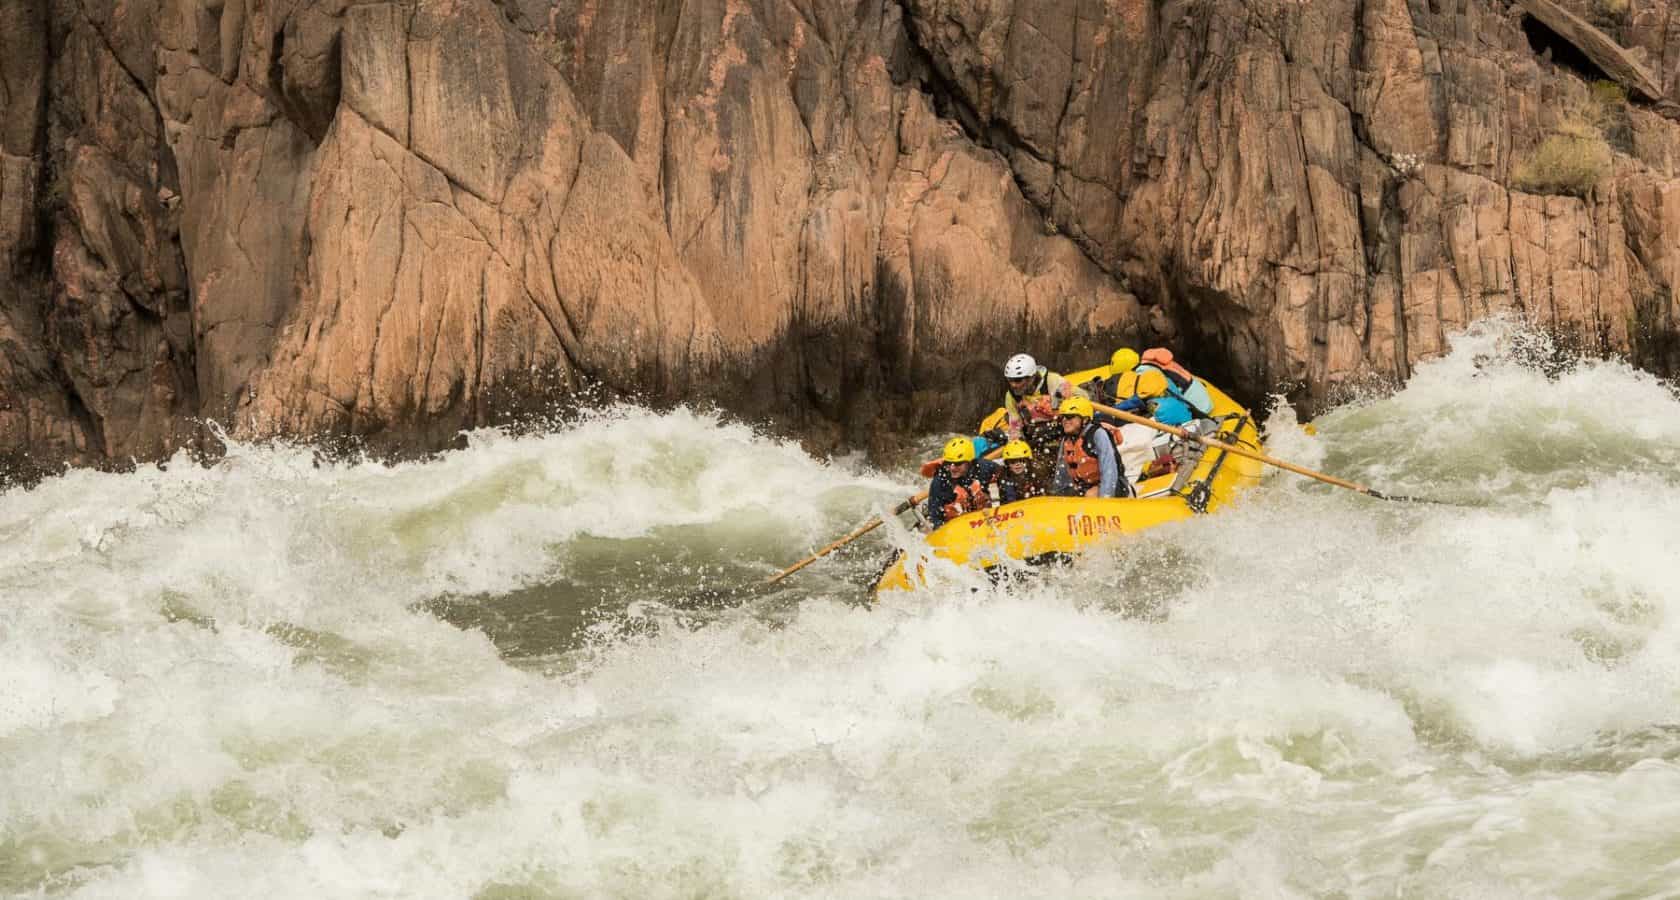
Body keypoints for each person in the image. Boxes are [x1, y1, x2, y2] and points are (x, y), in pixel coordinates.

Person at [1052, 397, 1129, 498]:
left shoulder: (1098, 434)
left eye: (1070, 416)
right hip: (1084, 486)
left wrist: (1106, 498)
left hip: (1114, 485)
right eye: (1063, 417)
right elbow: (1061, 474)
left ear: (1085, 419)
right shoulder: (1066, 440)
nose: (1065, 420)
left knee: (1091, 494)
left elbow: (1109, 470)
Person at [1000, 353, 1084, 443]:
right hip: (1037, 435)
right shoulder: (1011, 396)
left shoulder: (1054, 381)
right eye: (1010, 380)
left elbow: (1080, 403)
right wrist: (1015, 446)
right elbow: (1015, 426)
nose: (1013, 385)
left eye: (1018, 380)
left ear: (1031, 378)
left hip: (1063, 427)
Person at [925, 436, 1002, 530]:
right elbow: (935, 515)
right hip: (956, 525)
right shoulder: (940, 481)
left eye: (958, 463)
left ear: (969, 463)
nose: (952, 468)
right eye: (949, 463)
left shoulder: (983, 467)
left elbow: (1005, 476)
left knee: (980, 494)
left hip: (982, 517)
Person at [1138, 347, 1213, 416]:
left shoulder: (1145, 370)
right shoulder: (1160, 360)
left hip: (1199, 408)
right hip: (1204, 398)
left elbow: (1168, 392)